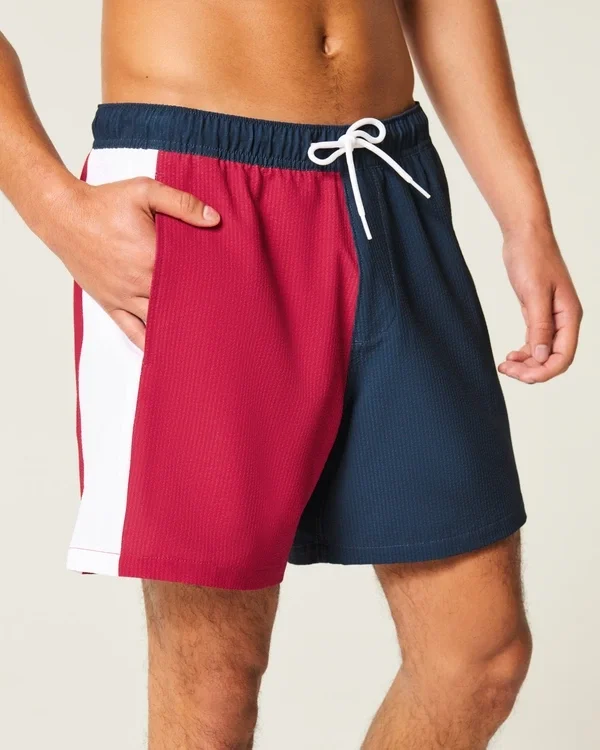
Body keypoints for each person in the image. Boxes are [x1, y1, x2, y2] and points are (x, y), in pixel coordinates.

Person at [0, 0, 582, 747]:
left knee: (479, 657)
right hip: (196, 193)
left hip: (388, 181)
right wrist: (55, 207)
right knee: (213, 691)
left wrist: (525, 220)